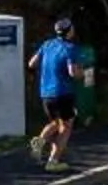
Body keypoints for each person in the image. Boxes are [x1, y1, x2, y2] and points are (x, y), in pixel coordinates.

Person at [29, 17, 88, 170]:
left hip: (46, 93)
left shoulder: (47, 44)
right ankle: (53, 161)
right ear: (69, 31)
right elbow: (73, 72)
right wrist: (83, 73)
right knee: (66, 127)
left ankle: (39, 141)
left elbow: (32, 63)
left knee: (56, 122)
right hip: (63, 92)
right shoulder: (70, 48)